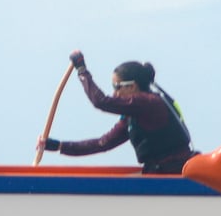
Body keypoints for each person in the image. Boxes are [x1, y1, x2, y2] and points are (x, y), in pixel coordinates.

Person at [37, 50, 197, 175]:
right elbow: (103, 143)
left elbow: (100, 101)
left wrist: (81, 69)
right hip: (159, 173)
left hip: (176, 172)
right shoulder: (134, 115)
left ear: (132, 86)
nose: (114, 94)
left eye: (117, 87)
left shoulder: (149, 103)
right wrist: (59, 146)